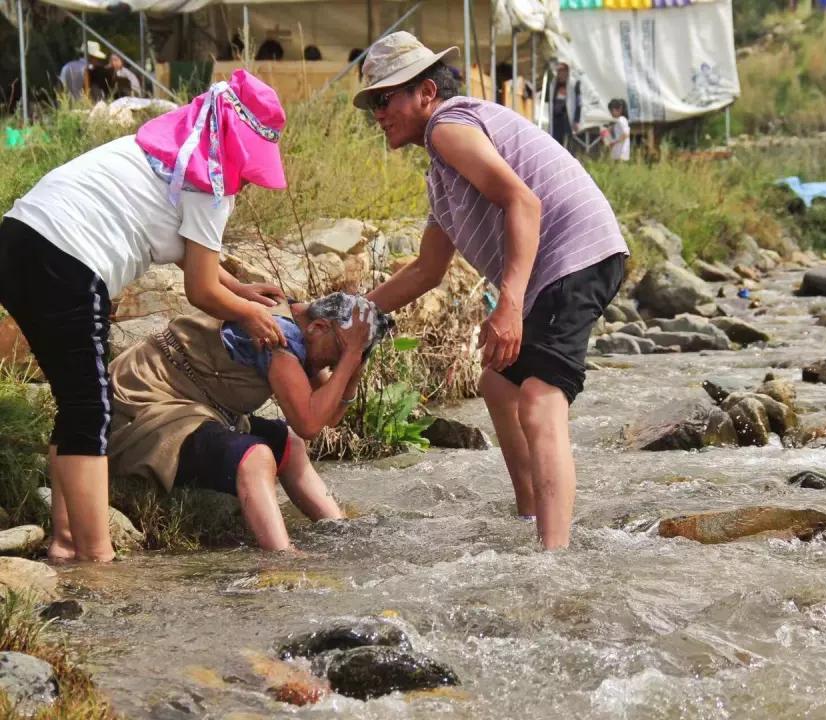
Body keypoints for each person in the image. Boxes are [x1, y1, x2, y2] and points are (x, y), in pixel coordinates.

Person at [0, 70, 290, 563]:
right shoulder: (213, 177)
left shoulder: (177, 146)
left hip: (18, 238)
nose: (249, 177)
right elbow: (200, 290)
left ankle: (67, 542)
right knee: (91, 409)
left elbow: (185, 252)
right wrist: (248, 314)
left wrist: (238, 289)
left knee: (77, 401)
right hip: (70, 259)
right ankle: (97, 558)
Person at [356, 32, 628, 550]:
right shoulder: (441, 172)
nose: (379, 112)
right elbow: (427, 271)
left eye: (386, 97)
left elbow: (523, 204)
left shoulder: (448, 127)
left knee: (539, 399)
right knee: (498, 385)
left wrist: (509, 305)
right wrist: (353, 310)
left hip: (573, 254)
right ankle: (530, 516)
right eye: (373, 102)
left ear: (426, 92)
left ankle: (555, 559)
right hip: (569, 258)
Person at [107, 293, 391, 551]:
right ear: (319, 328)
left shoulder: (305, 326)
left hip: (194, 408)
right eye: (339, 353)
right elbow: (310, 424)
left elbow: (329, 417)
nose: (335, 365)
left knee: (288, 443)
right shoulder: (280, 339)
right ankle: (283, 556)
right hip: (145, 409)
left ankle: (338, 527)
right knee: (256, 457)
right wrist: (351, 355)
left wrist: (352, 368)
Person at [547, 61, 581, 148]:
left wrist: (576, 120)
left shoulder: (574, 84)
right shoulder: (553, 84)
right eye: (559, 71)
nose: (561, 73)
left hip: (567, 118)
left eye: (563, 71)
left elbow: (579, 103)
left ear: (567, 72)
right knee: (555, 142)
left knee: (568, 143)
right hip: (555, 118)